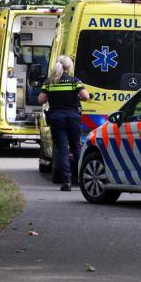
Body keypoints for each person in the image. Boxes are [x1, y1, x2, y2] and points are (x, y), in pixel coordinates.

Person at [38, 55, 90, 191]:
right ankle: (82, 179)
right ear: (69, 67)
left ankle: (66, 182)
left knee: (62, 150)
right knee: (76, 148)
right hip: (73, 118)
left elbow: (41, 100)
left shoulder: (49, 82)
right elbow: (86, 96)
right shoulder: (74, 82)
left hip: (56, 119)